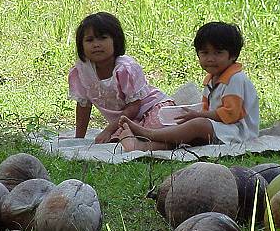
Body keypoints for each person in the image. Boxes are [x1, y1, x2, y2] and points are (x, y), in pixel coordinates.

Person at [118, 21, 259, 151]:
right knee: (184, 134)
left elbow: (230, 114)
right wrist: (195, 116)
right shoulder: (211, 79)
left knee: (197, 125)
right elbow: (207, 109)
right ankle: (142, 147)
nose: (210, 59)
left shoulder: (235, 79)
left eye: (218, 53)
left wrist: (198, 116)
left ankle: (147, 133)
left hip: (239, 132)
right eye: (205, 53)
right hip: (221, 129)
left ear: (233, 55)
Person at [68, 12, 174, 145]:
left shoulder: (126, 68)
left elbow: (134, 106)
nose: (96, 44)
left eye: (102, 38)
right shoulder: (81, 72)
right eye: (90, 40)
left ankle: (154, 143)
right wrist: (79, 138)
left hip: (152, 109)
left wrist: (108, 129)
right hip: (127, 120)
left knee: (157, 129)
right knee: (118, 138)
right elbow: (84, 106)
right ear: (81, 46)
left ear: (116, 40)